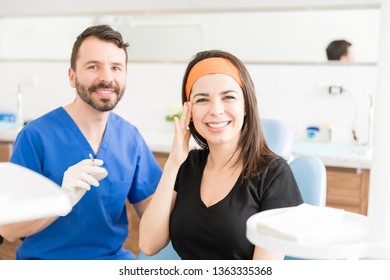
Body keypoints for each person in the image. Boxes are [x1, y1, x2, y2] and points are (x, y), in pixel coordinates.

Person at [0, 25, 162, 260]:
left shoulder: (130, 138)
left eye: (116, 67)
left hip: (113, 263)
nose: (107, 77)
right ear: (72, 76)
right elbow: (8, 230)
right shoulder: (36, 137)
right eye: (93, 66)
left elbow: (155, 219)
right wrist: (61, 199)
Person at [139, 50, 303, 260]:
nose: (216, 110)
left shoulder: (275, 175)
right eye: (202, 100)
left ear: (246, 105)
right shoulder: (187, 165)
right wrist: (173, 163)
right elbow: (148, 244)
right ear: (189, 111)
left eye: (228, 97)